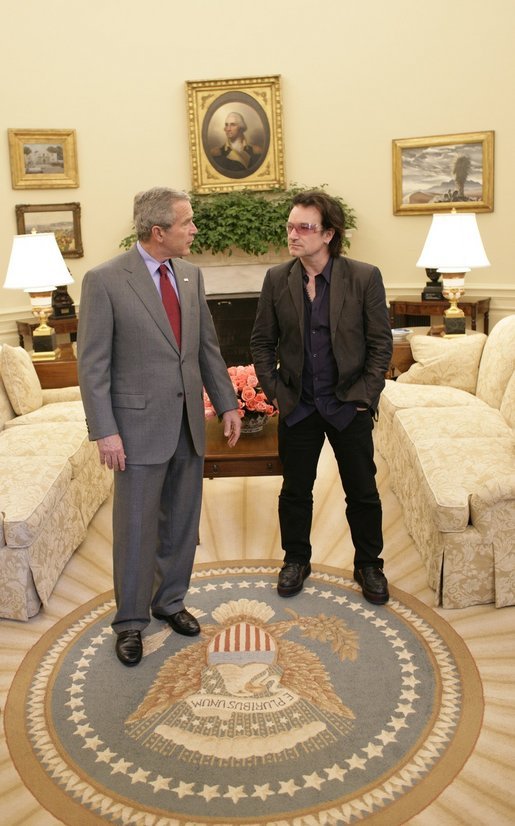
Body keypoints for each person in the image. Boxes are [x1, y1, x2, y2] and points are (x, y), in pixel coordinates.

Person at [77, 187, 241, 666]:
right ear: (158, 232)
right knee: (135, 528)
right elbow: (93, 366)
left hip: (188, 422)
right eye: (186, 223)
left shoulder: (190, 275)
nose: (194, 230)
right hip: (134, 430)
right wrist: (104, 431)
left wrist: (227, 404)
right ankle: (130, 622)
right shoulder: (104, 281)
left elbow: (206, 348)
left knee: (181, 523)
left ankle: (169, 601)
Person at [250, 190, 393, 605]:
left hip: (349, 403)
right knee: (295, 490)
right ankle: (296, 558)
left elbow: (379, 343)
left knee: (362, 491)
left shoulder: (364, 277)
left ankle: (369, 564)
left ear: (328, 233)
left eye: (304, 227)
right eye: (291, 226)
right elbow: (262, 342)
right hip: (298, 404)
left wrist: (365, 395)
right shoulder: (278, 279)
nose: (293, 235)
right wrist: (275, 392)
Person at [210, 111, 263, 175]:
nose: (228, 129)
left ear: (241, 127)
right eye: (226, 125)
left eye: (232, 125)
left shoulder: (256, 151)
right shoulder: (217, 153)